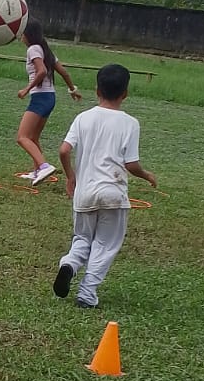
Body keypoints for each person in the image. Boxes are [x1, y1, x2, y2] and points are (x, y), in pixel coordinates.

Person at [53, 63, 156, 309]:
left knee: (82, 238)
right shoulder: (130, 123)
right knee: (106, 244)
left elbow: (64, 150)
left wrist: (70, 177)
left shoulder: (83, 118)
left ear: (97, 90)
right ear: (125, 93)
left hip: (84, 193)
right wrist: (147, 175)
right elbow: (131, 164)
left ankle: (69, 264)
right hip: (113, 193)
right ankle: (87, 293)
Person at [15, 23, 81, 185]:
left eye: (23, 33)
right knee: (33, 137)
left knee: (22, 137)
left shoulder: (33, 49)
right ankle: (38, 170)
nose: (21, 37)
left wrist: (26, 89)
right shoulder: (46, 50)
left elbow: (42, 71)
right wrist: (72, 90)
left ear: (28, 35)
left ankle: (44, 166)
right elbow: (64, 72)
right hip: (49, 98)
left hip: (40, 98)